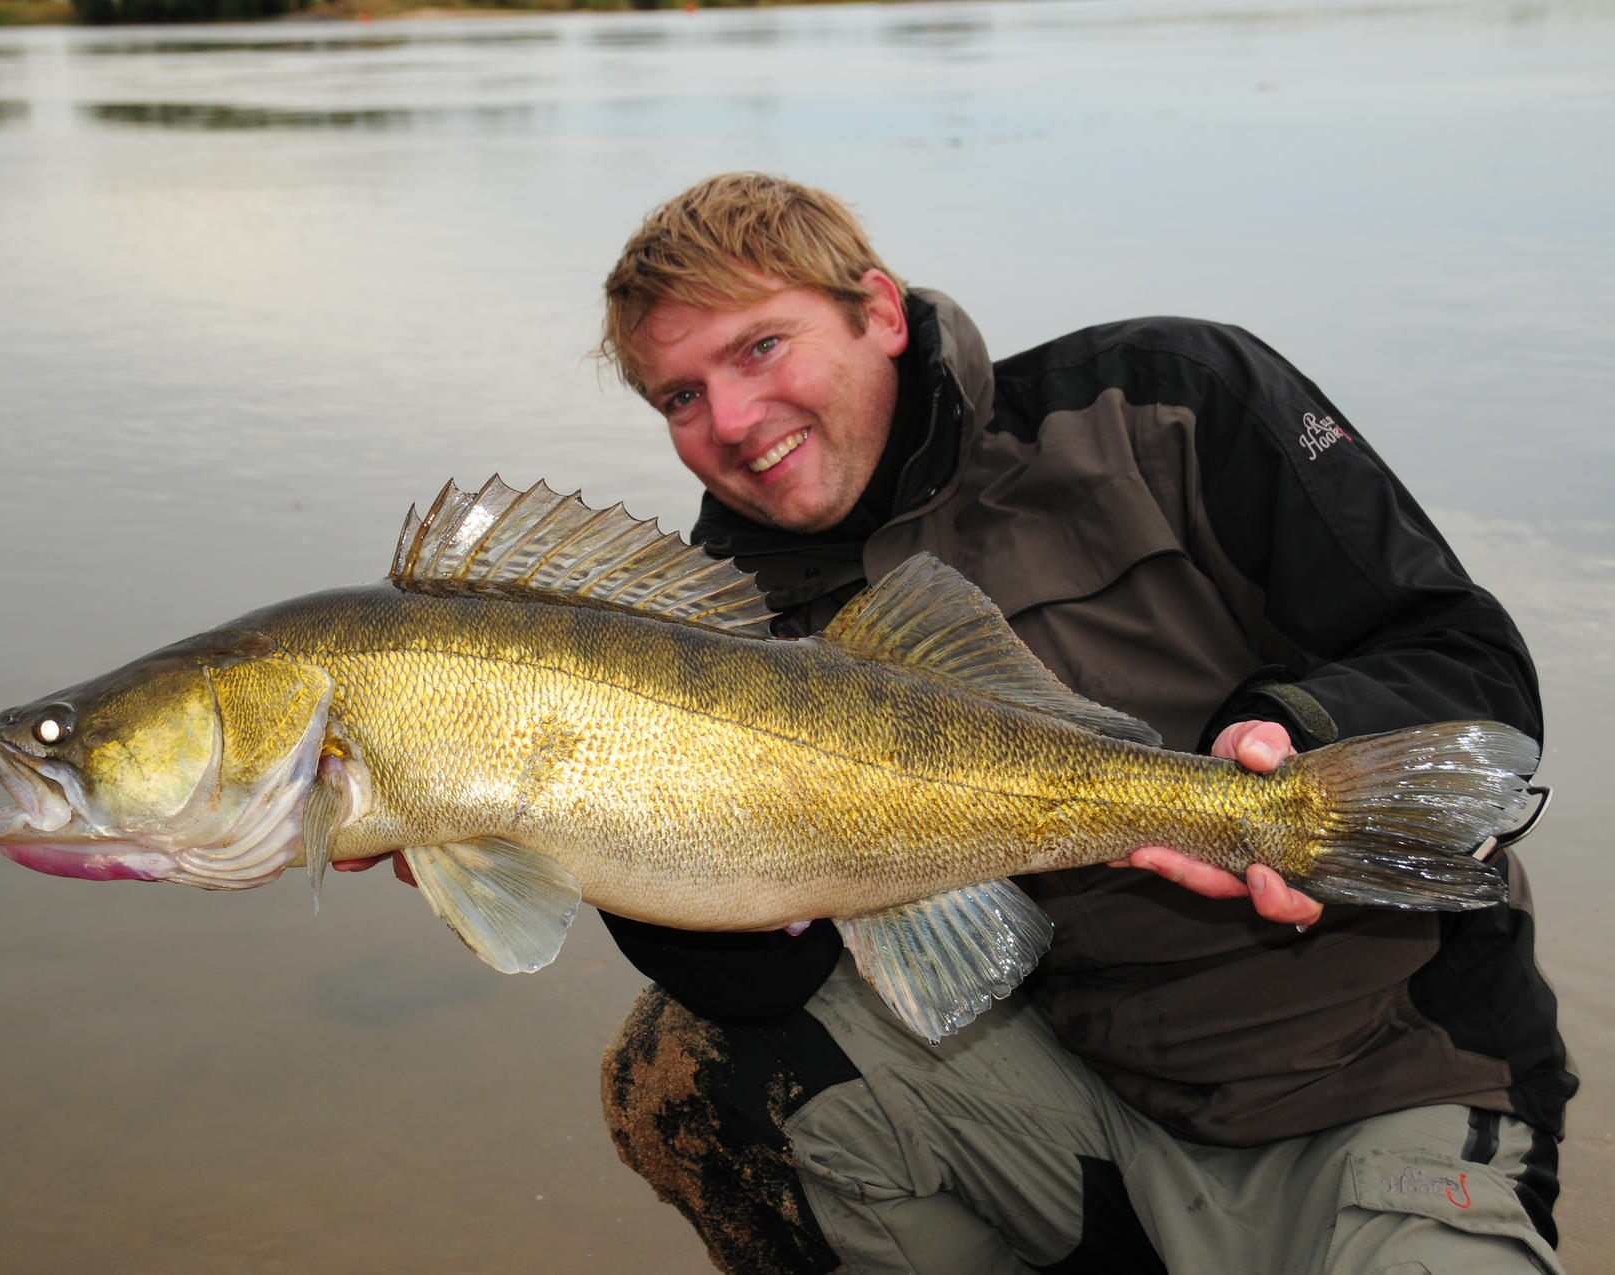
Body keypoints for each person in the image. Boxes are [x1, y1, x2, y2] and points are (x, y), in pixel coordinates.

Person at [587, 172, 1575, 1275]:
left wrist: (1287, 732)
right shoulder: (714, 619)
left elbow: (1464, 660)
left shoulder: (1162, 402)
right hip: (1074, 1099)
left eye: (761, 348)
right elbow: (769, 987)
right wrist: (570, 834)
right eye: (678, 396)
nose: (728, 420)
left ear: (878, 310)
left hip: (1381, 1079)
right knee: (680, 1069)